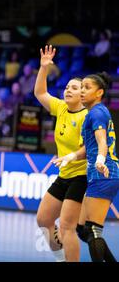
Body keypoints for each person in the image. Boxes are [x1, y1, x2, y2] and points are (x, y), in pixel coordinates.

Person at [54, 72, 118, 262]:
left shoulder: (97, 112)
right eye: (82, 87)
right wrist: (72, 156)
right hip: (98, 173)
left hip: (104, 173)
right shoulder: (93, 113)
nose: (82, 91)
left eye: (86, 88)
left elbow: (102, 142)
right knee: (83, 230)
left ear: (99, 93)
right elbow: (89, 146)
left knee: (92, 230)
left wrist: (99, 160)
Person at [34, 45, 88, 262]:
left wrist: (72, 156)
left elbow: (89, 148)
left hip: (82, 176)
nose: (67, 90)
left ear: (83, 95)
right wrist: (44, 68)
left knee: (67, 227)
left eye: (74, 88)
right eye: (67, 87)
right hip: (65, 175)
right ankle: (61, 258)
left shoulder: (87, 117)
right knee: (43, 220)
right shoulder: (61, 107)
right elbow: (39, 92)